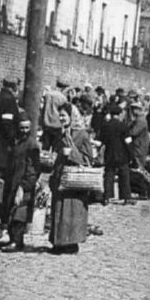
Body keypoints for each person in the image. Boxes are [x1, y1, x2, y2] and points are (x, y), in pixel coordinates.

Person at [49, 103, 94, 254]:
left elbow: (89, 160)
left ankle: (72, 243)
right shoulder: (60, 134)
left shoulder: (81, 134)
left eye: (64, 115)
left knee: (72, 211)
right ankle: (58, 242)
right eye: (60, 115)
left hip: (75, 179)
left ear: (71, 116)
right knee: (59, 209)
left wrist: (72, 154)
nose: (61, 118)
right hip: (61, 176)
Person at [1, 112, 42, 253]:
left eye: (27, 128)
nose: (24, 131)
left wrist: (23, 186)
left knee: (20, 212)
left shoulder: (32, 145)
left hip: (23, 183)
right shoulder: (15, 141)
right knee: (12, 209)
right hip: (13, 180)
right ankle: (13, 239)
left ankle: (17, 241)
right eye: (22, 128)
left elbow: (33, 169)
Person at [99, 104, 133, 205]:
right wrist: (131, 155)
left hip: (109, 154)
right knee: (124, 176)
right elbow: (128, 142)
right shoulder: (123, 126)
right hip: (122, 155)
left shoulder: (105, 126)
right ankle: (126, 197)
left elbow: (101, 141)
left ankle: (107, 197)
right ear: (120, 114)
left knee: (109, 175)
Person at [41, 80, 68, 151]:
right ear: (64, 88)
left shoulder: (47, 95)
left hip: (46, 123)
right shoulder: (63, 98)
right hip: (57, 125)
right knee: (55, 148)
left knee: (45, 147)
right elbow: (63, 112)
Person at [128, 101, 150, 171]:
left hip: (140, 144)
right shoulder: (138, 119)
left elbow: (134, 132)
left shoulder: (141, 120)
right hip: (138, 143)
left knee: (139, 162)